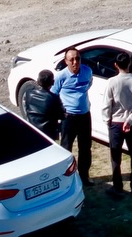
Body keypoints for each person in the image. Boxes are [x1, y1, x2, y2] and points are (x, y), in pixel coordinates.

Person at [105, 51, 132, 196]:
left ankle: (117, 186)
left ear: (116, 65)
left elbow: (106, 105)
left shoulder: (112, 82)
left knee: (115, 157)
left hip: (116, 123)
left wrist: (107, 121)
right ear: (129, 63)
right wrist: (131, 119)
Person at [54, 47, 93, 184]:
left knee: (85, 147)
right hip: (68, 117)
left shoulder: (87, 71)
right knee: (66, 147)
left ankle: (84, 176)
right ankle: (66, 177)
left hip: (85, 115)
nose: (75, 62)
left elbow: (89, 84)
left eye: (78, 59)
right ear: (66, 61)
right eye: (72, 60)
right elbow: (53, 95)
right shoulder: (61, 76)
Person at [23, 69, 64, 139]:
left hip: (33, 131)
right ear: (53, 82)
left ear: (38, 80)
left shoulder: (28, 93)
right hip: (48, 134)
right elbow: (61, 115)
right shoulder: (53, 98)